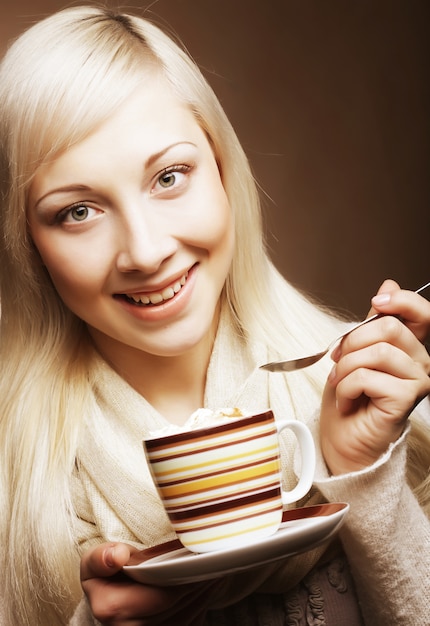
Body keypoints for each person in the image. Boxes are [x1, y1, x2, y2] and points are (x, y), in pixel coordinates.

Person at [0, 5, 429, 626]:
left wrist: (362, 473)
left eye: (169, 176)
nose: (145, 252)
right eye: (78, 212)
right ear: (26, 244)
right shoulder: (15, 474)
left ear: (224, 170)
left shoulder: (364, 389)